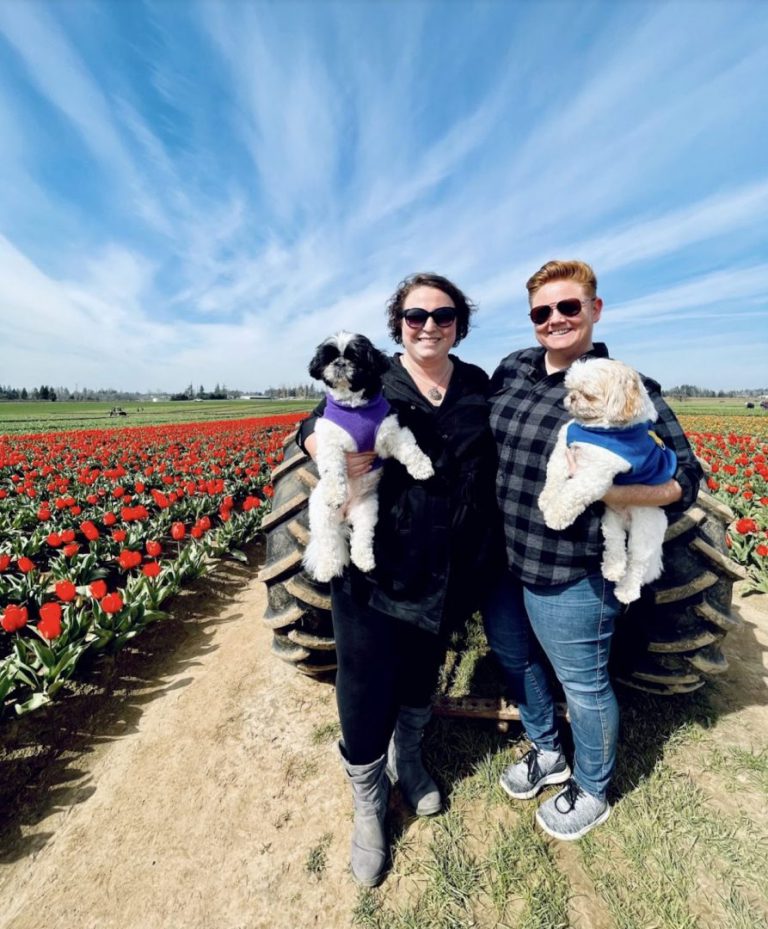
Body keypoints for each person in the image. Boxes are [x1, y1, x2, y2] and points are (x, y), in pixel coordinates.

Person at [485, 259, 702, 841]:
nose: (554, 319)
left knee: (582, 684)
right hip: (501, 557)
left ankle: (592, 786)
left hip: (572, 567)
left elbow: (683, 479)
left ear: (594, 310)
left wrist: (602, 489)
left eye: (568, 307)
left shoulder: (626, 387)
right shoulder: (512, 372)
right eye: (542, 311)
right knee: (516, 659)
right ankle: (546, 750)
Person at [296, 273, 500, 886]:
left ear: (459, 323)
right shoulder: (374, 378)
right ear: (398, 326)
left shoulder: (475, 385)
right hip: (375, 563)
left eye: (443, 315)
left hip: (445, 567)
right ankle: (367, 800)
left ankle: (407, 757)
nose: (429, 325)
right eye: (416, 316)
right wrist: (314, 442)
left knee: (421, 669)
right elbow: (313, 423)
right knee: (362, 679)